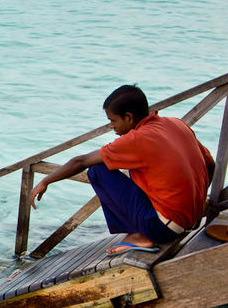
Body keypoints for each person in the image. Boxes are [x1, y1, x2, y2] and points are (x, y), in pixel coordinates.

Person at [29, 84, 215, 255]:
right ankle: (145, 229)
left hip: (163, 229)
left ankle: (138, 235)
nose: (111, 126)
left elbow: (81, 161)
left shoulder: (138, 139)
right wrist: (196, 202)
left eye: (113, 120)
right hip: (192, 220)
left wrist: (46, 180)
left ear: (129, 117)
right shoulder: (175, 124)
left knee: (97, 171)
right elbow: (210, 164)